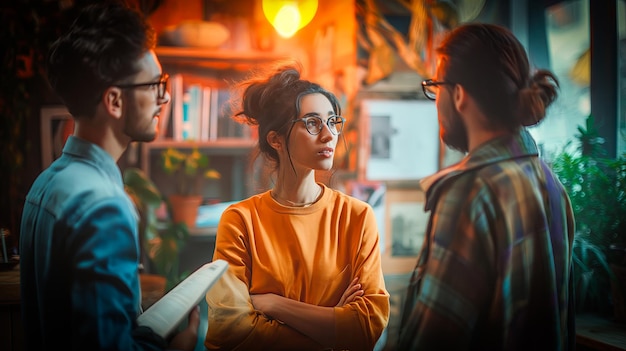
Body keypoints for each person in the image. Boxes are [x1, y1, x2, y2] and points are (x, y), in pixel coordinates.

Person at [19, 2, 200, 350]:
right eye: (154, 86)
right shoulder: (105, 206)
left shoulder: (45, 184)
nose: (164, 98)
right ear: (115, 101)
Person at [396, 23, 575, 350]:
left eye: (436, 87)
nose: (435, 100)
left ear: (460, 95)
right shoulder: (549, 183)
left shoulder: (470, 193)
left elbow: (433, 337)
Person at [204, 63, 390, 351]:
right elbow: (230, 334)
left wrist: (273, 305)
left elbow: (367, 327)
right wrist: (331, 326)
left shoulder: (356, 216)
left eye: (332, 121)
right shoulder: (240, 220)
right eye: (313, 123)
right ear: (276, 139)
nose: (329, 135)